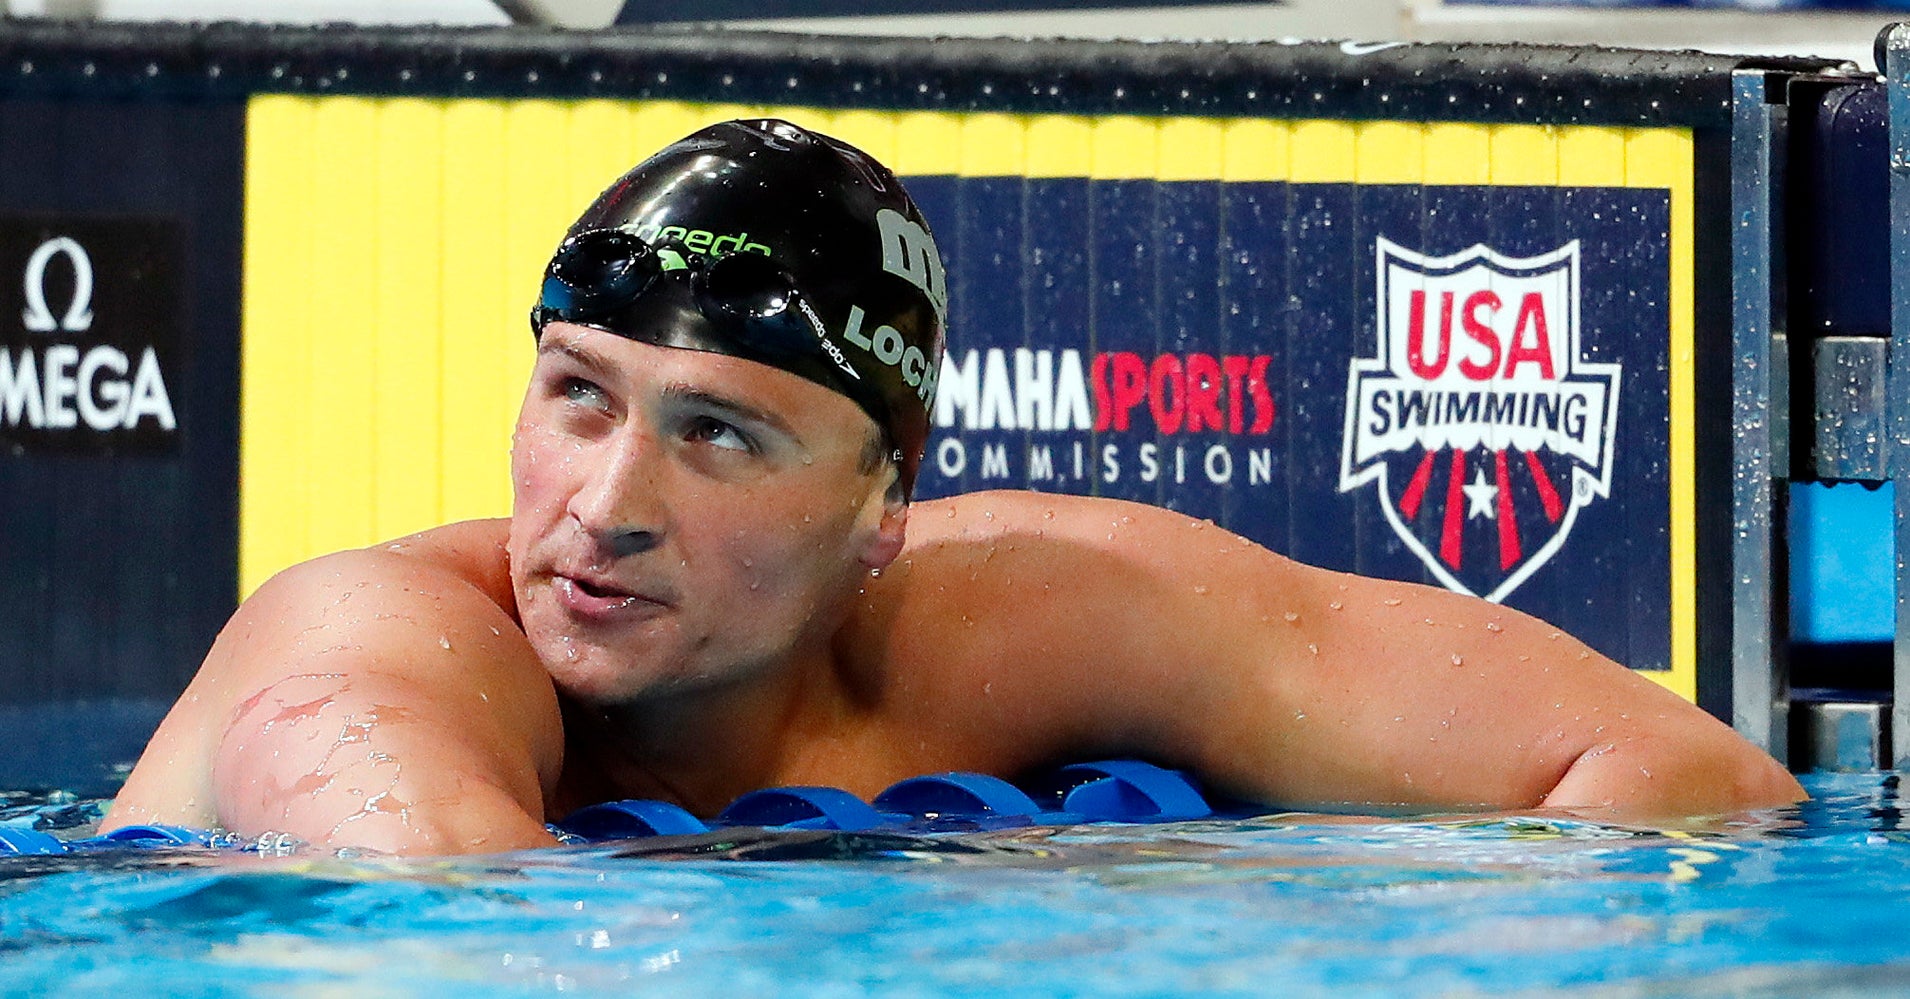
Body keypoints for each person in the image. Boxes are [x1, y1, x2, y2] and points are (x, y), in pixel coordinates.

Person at [103, 119, 1802, 854]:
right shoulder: (375, 649)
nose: (606, 500)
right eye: (578, 396)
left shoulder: (1022, 616)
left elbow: (1688, 776)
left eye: (720, 433)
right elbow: (443, 945)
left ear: (881, 503)